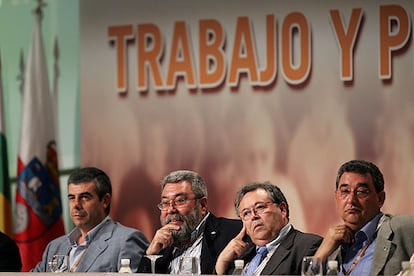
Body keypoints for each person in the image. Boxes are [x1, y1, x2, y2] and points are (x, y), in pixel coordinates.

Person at [31, 167, 149, 272]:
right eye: (72, 198)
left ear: (105, 201)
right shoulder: (55, 246)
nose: (76, 204)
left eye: (84, 197)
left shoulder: (126, 241)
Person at [314, 159, 414, 275]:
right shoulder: (333, 245)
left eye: (361, 192)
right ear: (336, 198)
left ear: (380, 199)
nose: (351, 200)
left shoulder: (401, 228)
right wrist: (321, 253)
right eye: (345, 191)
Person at [138, 170, 243, 274]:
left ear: (202, 205)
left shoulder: (232, 233)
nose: (170, 209)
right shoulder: (162, 247)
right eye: (165, 203)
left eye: (180, 201)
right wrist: (150, 254)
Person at [215, 181, 322, 275]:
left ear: (282, 209)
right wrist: (221, 266)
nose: (253, 216)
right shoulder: (241, 255)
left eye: (260, 207)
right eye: (246, 213)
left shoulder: (308, 246)